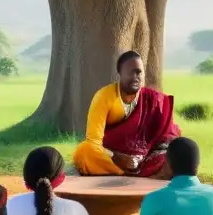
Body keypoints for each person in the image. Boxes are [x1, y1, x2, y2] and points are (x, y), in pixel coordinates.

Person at [71, 51, 181, 179]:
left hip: (143, 157)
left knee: (173, 155)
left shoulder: (153, 99)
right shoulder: (103, 97)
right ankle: (128, 173)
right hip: (111, 155)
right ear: (120, 74)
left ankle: (140, 171)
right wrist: (117, 157)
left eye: (139, 72)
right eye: (131, 73)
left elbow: (166, 133)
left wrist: (144, 157)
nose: (135, 77)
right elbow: (93, 141)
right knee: (84, 151)